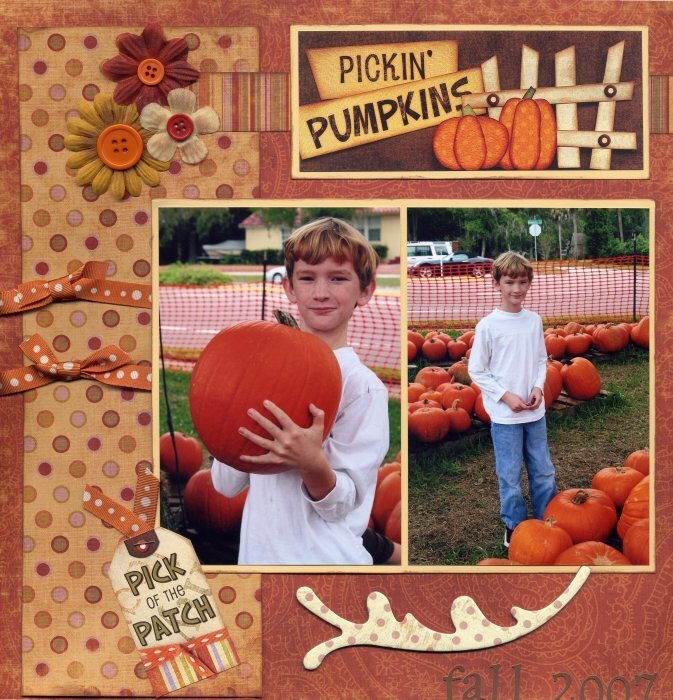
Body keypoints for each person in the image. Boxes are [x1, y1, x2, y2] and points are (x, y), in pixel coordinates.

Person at [211, 217, 391, 565]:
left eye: (338, 278)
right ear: (290, 289)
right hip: (258, 559)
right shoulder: (262, 373)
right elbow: (225, 485)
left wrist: (311, 464)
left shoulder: (363, 388)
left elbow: (344, 504)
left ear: (365, 291)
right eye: (307, 278)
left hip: (328, 564)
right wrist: (224, 413)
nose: (320, 292)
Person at [467, 251, 557, 548]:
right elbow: (476, 370)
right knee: (509, 475)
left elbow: (541, 360)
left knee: (542, 468)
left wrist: (538, 388)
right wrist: (505, 396)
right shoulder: (488, 326)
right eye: (509, 282)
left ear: (529, 283)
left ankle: (548, 518)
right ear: (497, 284)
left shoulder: (533, 321)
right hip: (506, 417)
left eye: (522, 282)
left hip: (535, 413)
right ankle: (515, 524)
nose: (516, 289)